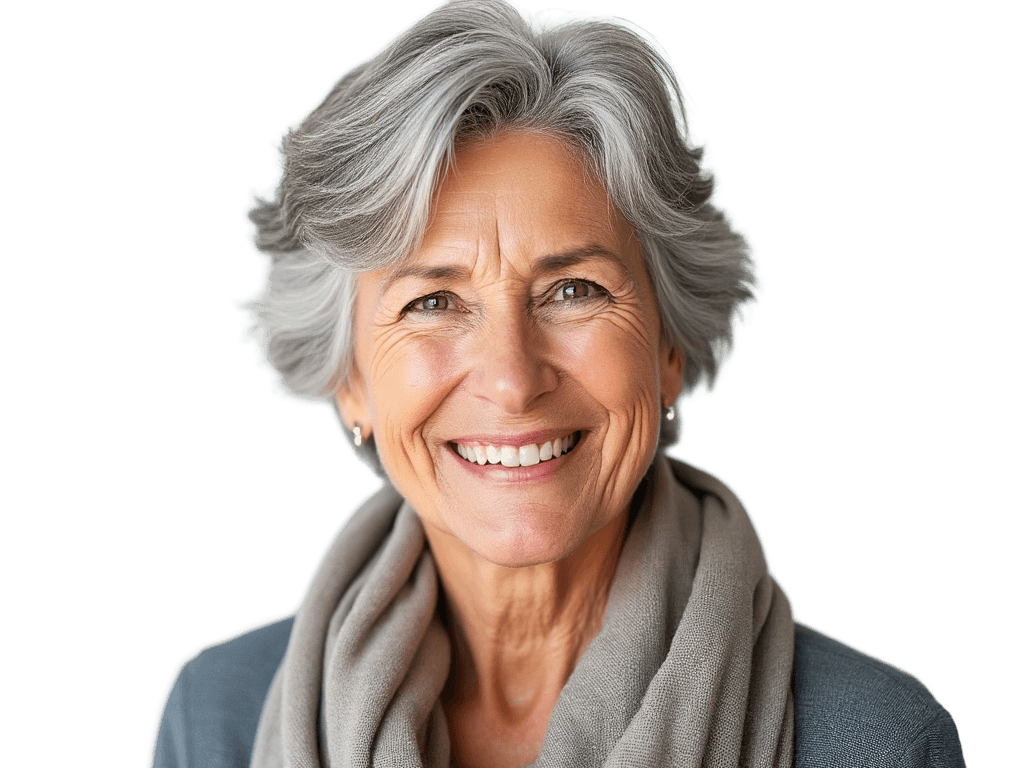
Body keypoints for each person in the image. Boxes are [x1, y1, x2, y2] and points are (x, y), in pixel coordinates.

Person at [147, 1, 967, 766]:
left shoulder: (872, 741)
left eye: (574, 291)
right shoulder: (218, 719)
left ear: (670, 346)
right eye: (434, 302)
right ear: (351, 380)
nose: (510, 379)